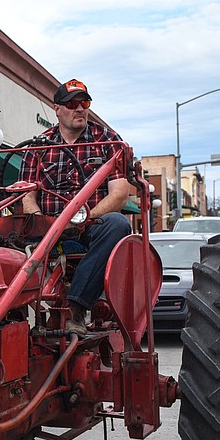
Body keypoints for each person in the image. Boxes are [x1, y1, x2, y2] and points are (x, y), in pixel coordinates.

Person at [19, 78, 131, 335]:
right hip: (48, 228)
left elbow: (119, 194)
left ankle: (76, 308)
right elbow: (26, 195)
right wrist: (40, 221)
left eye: (84, 103)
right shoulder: (39, 146)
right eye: (71, 104)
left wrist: (83, 217)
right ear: (57, 109)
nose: (79, 108)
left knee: (118, 224)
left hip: (91, 225)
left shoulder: (107, 141)